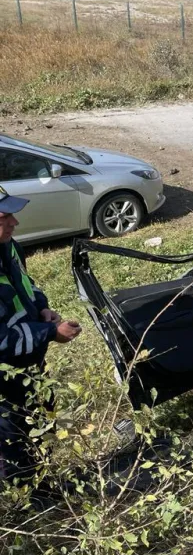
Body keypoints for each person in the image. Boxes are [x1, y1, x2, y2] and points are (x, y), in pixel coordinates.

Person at [0, 186, 82, 482]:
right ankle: (31, 502)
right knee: (15, 442)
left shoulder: (8, 245)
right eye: (4, 217)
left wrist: (43, 309)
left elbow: (26, 282)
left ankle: (48, 480)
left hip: (31, 366)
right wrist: (49, 332)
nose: (14, 223)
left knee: (43, 425)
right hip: (4, 379)